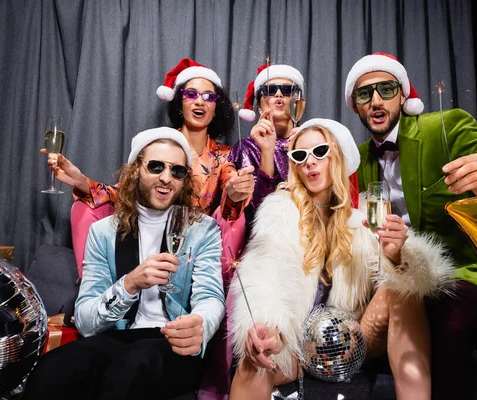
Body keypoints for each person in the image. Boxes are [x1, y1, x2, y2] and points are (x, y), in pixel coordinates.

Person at [344, 52, 477, 399]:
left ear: (402, 95)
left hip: (460, 273)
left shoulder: (446, 129)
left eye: (385, 89)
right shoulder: (358, 159)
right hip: (394, 276)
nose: (375, 100)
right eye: (364, 94)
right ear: (355, 106)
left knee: (448, 320)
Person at [228, 118, 455, 400]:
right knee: (255, 361)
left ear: (337, 157)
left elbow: (409, 277)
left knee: (403, 287)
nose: (310, 162)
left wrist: (397, 257)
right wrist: (267, 330)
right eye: (300, 156)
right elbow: (263, 278)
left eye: (320, 152)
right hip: (297, 348)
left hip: (349, 341)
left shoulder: (362, 222)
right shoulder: (279, 212)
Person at [23, 127, 226, 400]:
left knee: (133, 368)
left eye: (177, 171)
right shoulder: (104, 231)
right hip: (120, 337)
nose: (166, 178)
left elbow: (211, 297)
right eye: (156, 167)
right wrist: (129, 284)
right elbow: (85, 320)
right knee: (55, 368)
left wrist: (200, 324)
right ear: (135, 171)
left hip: (172, 342)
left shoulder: (202, 230)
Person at [44, 57, 254, 279]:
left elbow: (231, 194)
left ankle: (214, 292)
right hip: (146, 233)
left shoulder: (224, 156)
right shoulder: (158, 145)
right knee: (83, 208)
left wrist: (234, 193)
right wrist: (82, 182)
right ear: (179, 103)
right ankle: (93, 289)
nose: (199, 101)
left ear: (215, 108)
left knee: (235, 217)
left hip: (194, 244)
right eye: (191, 94)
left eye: (208, 97)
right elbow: (124, 193)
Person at [230, 63, 360, 227]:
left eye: (287, 90)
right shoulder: (246, 148)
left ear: (299, 100)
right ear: (259, 103)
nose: (278, 94)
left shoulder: (316, 142)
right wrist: (268, 152)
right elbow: (255, 217)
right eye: (270, 90)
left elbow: (336, 197)